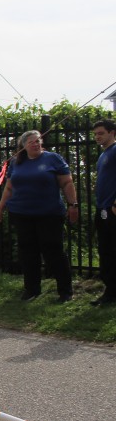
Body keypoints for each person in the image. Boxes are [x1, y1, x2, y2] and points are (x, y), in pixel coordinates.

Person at [0, 130, 78, 302]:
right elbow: (9, 188)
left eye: (38, 140)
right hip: (21, 214)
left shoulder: (53, 159)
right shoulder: (16, 162)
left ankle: (65, 291)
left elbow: (67, 183)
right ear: (23, 145)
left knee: (53, 251)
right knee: (28, 252)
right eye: (31, 141)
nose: (36, 144)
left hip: (49, 214)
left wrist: (73, 205)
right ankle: (32, 289)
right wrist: (0, 209)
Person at [91, 119, 116, 306]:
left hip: (112, 208)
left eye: (101, 133)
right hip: (102, 208)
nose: (97, 137)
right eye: (95, 134)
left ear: (112, 133)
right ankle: (110, 292)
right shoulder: (104, 154)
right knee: (106, 251)